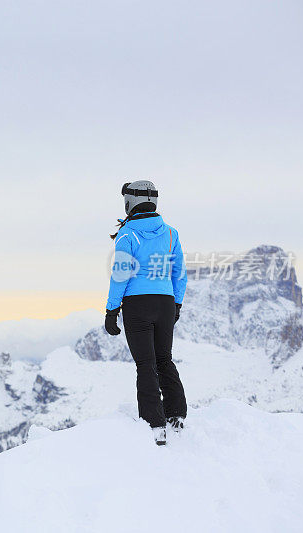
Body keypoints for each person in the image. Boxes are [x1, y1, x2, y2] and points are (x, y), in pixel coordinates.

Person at [104, 180, 187, 446]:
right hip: (165, 301)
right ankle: (177, 417)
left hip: (137, 304)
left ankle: (155, 424)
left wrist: (111, 309)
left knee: (146, 365)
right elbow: (180, 273)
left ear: (129, 203)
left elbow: (120, 275)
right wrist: (176, 304)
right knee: (165, 359)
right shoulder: (171, 233)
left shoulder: (128, 235)